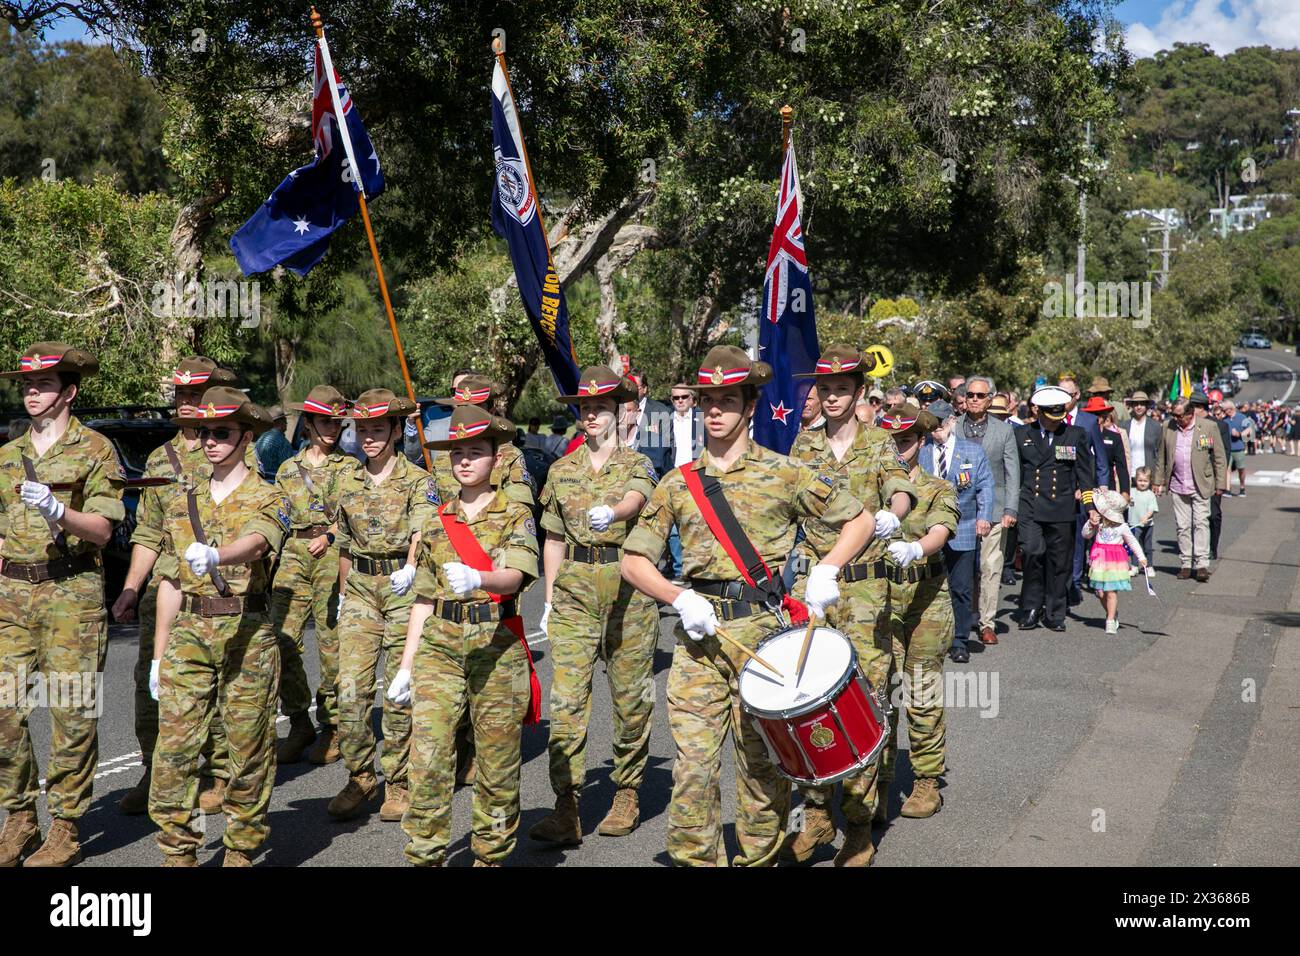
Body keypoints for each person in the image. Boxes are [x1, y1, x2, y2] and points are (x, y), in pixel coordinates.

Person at [619, 345, 873, 867]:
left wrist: (827, 569)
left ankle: (758, 858)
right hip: (698, 640)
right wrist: (678, 595)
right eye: (708, 399)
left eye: (728, 400)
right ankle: (697, 860)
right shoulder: (677, 482)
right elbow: (633, 560)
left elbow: (860, 520)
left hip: (765, 640)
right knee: (692, 767)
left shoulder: (785, 473)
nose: (715, 410)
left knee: (761, 771)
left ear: (750, 405)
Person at [384, 405, 539, 866]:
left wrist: (481, 579)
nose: (465, 461)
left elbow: (514, 577)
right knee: (428, 757)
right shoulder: (435, 520)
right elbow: (424, 600)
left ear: (495, 458)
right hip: (441, 646)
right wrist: (407, 666)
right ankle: (424, 854)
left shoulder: (516, 513)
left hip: (496, 644)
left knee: (496, 764)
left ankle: (490, 855)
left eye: (476, 452)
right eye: (457, 453)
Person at [781, 344, 916, 866]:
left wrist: (892, 515)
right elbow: (786, 503)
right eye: (826, 388)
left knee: (864, 699)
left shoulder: (880, 443)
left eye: (843, 389)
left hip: (863, 589)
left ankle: (859, 826)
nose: (832, 397)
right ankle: (816, 815)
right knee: (809, 696)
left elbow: (900, 489)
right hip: (812, 591)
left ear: (860, 393)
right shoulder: (803, 445)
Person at [146, 388, 284, 867]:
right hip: (189, 631)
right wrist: (159, 656)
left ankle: (241, 848)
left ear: (246, 437)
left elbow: (259, 543)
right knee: (174, 751)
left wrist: (217, 556)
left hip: (246, 631)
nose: (209, 440)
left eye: (221, 432)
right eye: (203, 432)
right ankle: (178, 850)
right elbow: (169, 579)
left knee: (248, 748)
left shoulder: (269, 495)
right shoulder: (182, 498)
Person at [0, 343, 124, 867]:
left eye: (44, 384)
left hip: (71, 594)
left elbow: (102, 529)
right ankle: (20, 817)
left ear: (69, 392)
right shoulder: (5, 456)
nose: (32, 391)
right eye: (27, 384)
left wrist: (59, 510)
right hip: (12, 595)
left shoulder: (95, 449)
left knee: (72, 714)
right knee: (5, 709)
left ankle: (67, 825)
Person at [526, 367, 660, 846]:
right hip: (576, 590)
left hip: (627, 586)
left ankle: (626, 791)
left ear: (620, 410)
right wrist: (548, 596)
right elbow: (554, 537)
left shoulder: (638, 462)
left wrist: (616, 512)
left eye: (600, 407)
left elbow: (635, 498)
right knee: (566, 702)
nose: (592, 416)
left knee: (630, 699)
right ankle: (567, 806)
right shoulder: (562, 469)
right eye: (585, 408)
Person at [111, 356, 239, 816]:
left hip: (214, 587)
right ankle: (156, 769)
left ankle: (219, 772)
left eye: (195, 394)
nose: (186, 403)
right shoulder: (158, 457)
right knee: (151, 682)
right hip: (164, 589)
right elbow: (148, 531)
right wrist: (129, 588)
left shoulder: (227, 445)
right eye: (180, 395)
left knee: (218, 684)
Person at [328, 388, 433, 822]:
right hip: (359, 590)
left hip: (401, 588)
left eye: (377, 429)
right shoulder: (346, 480)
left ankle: (399, 780)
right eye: (362, 429)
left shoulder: (417, 480)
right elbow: (345, 544)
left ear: (395, 431)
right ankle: (360, 775)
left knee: (397, 691)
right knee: (349, 689)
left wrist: (410, 567)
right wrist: (340, 593)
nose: (368, 437)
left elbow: (421, 533)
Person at [877, 401, 960, 820]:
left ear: (921, 441)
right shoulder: (871, 492)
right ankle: (881, 780)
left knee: (921, 691)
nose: (897, 448)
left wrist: (916, 547)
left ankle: (927, 781)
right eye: (890, 440)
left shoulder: (937, 488)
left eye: (905, 440)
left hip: (926, 597)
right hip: (880, 600)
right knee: (880, 694)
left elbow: (942, 531)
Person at [269, 385, 351, 766]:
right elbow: (276, 516)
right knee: (279, 636)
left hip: (332, 552)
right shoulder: (288, 469)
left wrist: (331, 535)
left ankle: (332, 725)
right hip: (292, 554)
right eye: (324, 421)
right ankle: (299, 719)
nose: (332, 428)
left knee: (331, 642)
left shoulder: (350, 468)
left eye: (337, 421)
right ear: (309, 423)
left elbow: (355, 514)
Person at [1015, 386, 1097, 631]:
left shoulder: (1076, 435)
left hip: (1061, 507)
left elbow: (1085, 473)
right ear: (1038, 412)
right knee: (1031, 553)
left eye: (1059, 417)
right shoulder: (1022, 435)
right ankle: (1030, 606)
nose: (1055, 423)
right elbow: (1016, 472)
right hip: (1030, 505)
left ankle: (1054, 612)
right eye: (1050, 417)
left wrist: (1090, 506)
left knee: (1059, 562)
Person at [921, 400, 993, 662]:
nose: (936, 428)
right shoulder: (921, 451)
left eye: (941, 423)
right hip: (927, 529)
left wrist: (984, 517)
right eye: (931, 424)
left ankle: (960, 640)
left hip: (963, 528)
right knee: (929, 587)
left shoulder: (972, 452)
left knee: (961, 588)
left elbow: (985, 485)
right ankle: (930, 638)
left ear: (952, 421)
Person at [955, 376, 1019, 646]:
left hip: (993, 510)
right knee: (961, 569)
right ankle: (961, 618)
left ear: (990, 399)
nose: (974, 399)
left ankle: (986, 623)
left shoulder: (1003, 431)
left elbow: (1012, 472)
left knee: (990, 567)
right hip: (958, 510)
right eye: (970, 394)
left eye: (980, 395)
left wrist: (1010, 508)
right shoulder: (953, 427)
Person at [431, 373, 536, 508]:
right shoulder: (443, 457)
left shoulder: (509, 455)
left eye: (475, 408)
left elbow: (520, 507)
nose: (467, 414)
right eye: (462, 407)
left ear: (491, 411)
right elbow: (432, 510)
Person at [1153, 395, 1227, 581]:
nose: (1176, 419)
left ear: (1190, 413)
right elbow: (1161, 455)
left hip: (1201, 484)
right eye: (1173, 415)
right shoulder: (1168, 427)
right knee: (1183, 526)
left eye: (1179, 416)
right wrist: (1157, 480)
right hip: (1178, 484)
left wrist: (1221, 484)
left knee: (1201, 523)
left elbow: (1219, 457)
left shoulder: (1208, 427)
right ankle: (1185, 563)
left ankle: (1201, 564)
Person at [1083, 489, 1147, 634]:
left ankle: (1110, 620)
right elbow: (1085, 535)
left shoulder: (1122, 527)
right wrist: (1090, 524)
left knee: (1111, 591)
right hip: (1099, 560)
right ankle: (1112, 612)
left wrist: (1141, 557)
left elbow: (1133, 542)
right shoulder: (1098, 523)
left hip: (1114, 561)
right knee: (1100, 592)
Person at [667, 383, 700, 581]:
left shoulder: (702, 419)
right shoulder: (664, 420)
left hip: (696, 475)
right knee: (673, 529)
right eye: (675, 398)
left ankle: (695, 566)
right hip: (673, 476)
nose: (680, 401)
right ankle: (680, 569)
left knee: (696, 523)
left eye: (684, 397)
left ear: (692, 399)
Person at [627, 370, 674, 479]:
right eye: (629, 387)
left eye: (635, 387)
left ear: (645, 388)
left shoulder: (661, 412)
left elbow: (668, 445)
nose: (631, 390)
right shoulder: (619, 411)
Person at [1083, 395, 1131, 497]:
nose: (1096, 418)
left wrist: (1125, 491)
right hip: (1085, 488)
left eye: (1099, 414)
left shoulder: (1114, 437)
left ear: (1105, 415)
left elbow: (1121, 466)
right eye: (1092, 414)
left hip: (1107, 489)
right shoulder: (1080, 436)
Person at [1127, 468, 1158, 574]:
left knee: (1147, 546)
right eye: (1140, 480)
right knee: (1134, 545)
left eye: (1145, 481)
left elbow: (1152, 509)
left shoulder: (1150, 494)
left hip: (1148, 525)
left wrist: (1146, 516)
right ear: (1136, 480)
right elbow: (1126, 503)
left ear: (1150, 481)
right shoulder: (1131, 492)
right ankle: (1134, 565)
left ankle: (1149, 566)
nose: (1142, 483)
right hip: (1134, 524)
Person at [1124, 390, 1160, 479]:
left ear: (1147, 406)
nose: (1138, 407)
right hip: (1129, 474)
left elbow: (1159, 453)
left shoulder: (1155, 426)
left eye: (1142, 404)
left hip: (1148, 476)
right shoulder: (1124, 426)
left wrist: (1158, 478)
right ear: (1132, 406)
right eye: (1136, 404)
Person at [1222, 400, 1250, 496]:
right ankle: (1228, 489)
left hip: (1239, 448)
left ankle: (1242, 487)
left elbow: (1249, 430)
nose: (1223, 412)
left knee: (1241, 469)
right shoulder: (1224, 420)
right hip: (1227, 449)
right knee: (1227, 469)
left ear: (1230, 409)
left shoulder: (1242, 417)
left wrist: (1239, 434)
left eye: (1224, 410)